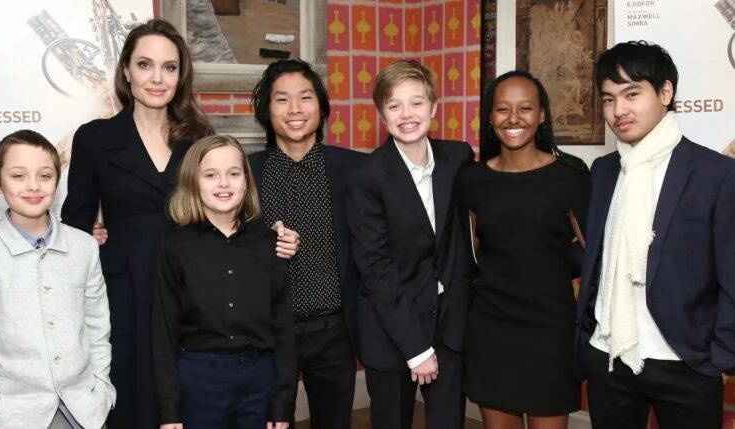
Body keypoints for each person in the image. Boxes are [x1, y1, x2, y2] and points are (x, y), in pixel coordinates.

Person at [60, 20, 298, 428]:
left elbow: (228, 208)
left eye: (169, 67)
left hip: (197, 294)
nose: (157, 78)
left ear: (180, 75)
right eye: (145, 65)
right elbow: (74, 225)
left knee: (192, 405)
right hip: (126, 291)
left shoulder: (199, 137)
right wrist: (91, 239)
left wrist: (273, 236)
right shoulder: (94, 138)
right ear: (126, 70)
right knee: (131, 398)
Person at [575, 40, 735, 429]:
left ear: (665, 93)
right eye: (609, 99)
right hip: (609, 356)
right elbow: (597, 258)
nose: (619, 110)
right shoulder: (604, 171)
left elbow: (732, 274)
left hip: (685, 362)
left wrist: (722, 359)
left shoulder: (716, 174)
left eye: (632, 94)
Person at [456, 70, 590, 429]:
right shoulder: (472, 180)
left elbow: (596, 258)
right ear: (490, 117)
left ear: (542, 114)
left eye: (525, 108)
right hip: (491, 331)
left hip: (551, 334)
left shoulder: (571, 177)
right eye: (503, 109)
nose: (513, 118)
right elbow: (469, 259)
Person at [347, 59, 476, 429]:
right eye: (394, 105)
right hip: (391, 330)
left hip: (449, 326)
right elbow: (376, 269)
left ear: (433, 107)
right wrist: (415, 349)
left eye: (416, 103)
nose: (407, 114)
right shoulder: (367, 176)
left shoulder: (459, 158)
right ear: (382, 115)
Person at [248, 59, 364, 429]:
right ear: (266, 110)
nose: (295, 109)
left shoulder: (356, 170)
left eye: (306, 97)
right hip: (265, 334)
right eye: (282, 99)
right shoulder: (245, 173)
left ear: (321, 106)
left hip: (334, 333)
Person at [0, 130, 115, 429]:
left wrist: (102, 391)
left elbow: (97, 327)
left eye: (45, 176)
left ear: (57, 181)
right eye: (18, 176)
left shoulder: (83, 247)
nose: (33, 186)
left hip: (85, 412)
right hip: (17, 416)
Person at [152, 135, 296, 429]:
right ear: (193, 182)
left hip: (259, 380)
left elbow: (283, 329)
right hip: (198, 380)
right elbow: (163, 332)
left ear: (246, 181)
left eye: (233, 173)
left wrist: (282, 402)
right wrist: (169, 409)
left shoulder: (269, 244)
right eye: (210, 175)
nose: (223, 184)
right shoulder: (175, 246)